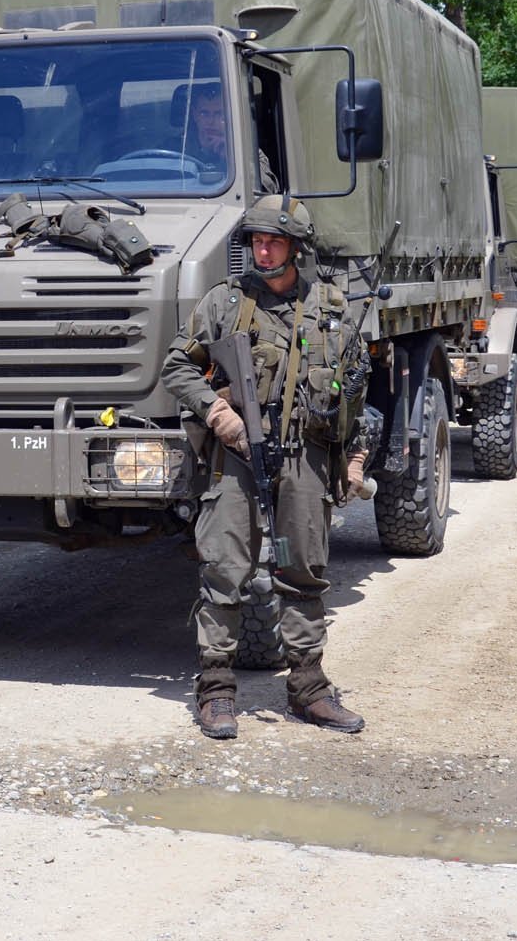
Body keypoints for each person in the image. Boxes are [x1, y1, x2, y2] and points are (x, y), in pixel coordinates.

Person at [161, 196, 370, 740]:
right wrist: (217, 412)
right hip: (235, 459)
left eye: (274, 240)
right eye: (256, 240)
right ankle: (216, 690)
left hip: (306, 458)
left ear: (297, 248)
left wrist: (354, 455)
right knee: (225, 572)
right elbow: (177, 367)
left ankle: (308, 689)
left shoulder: (332, 309)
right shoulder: (224, 304)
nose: (263, 248)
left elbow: (354, 390)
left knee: (302, 572)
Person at [182, 82, 281, 193]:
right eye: (204, 113)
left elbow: (269, 187)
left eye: (218, 113)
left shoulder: (245, 150)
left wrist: (233, 158)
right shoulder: (177, 148)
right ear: (195, 115)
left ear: (228, 115)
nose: (211, 121)